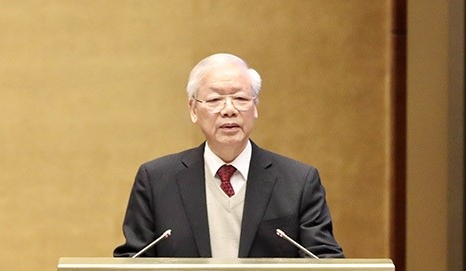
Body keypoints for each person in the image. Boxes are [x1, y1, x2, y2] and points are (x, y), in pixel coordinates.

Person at [113, 53, 344, 258]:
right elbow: (133, 265)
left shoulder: (299, 182)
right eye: (214, 100)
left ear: (255, 107)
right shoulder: (156, 181)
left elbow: (325, 265)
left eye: (241, 99)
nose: (229, 109)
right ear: (193, 109)